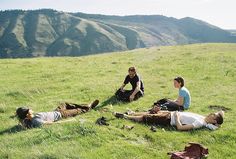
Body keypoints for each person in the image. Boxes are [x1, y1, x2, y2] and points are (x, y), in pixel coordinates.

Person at [15, 100, 99, 128]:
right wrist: (67, 121)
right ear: (27, 114)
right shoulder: (36, 121)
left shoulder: (28, 119)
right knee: (78, 110)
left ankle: (85, 105)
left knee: (65, 104)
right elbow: (51, 124)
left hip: (56, 111)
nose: (30, 109)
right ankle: (89, 107)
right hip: (62, 115)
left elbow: (21, 121)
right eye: (28, 110)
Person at [113, 110, 224, 131]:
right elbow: (215, 125)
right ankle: (132, 113)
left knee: (146, 118)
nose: (211, 114)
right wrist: (217, 123)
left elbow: (180, 128)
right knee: (151, 112)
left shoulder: (200, 123)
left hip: (170, 119)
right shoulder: (203, 118)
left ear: (214, 121)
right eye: (213, 113)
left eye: (214, 116)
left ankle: (125, 117)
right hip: (171, 113)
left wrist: (176, 117)